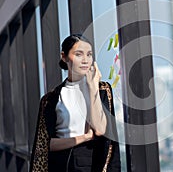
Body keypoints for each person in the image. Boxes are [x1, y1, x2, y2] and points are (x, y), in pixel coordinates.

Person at [30, 34, 121, 172]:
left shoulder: (102, 90)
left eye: (89, 55)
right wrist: (85, 137)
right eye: (79, 54)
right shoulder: (50, 99)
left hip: (90, 165)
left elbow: (100, 129)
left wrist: (92, 87)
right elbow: (47, 144)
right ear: (64, 56)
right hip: (59, 165)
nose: (85, 60)